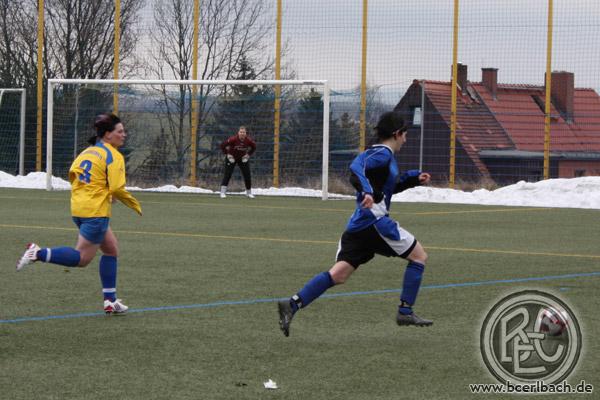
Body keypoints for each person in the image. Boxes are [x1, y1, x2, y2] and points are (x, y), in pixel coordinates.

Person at [277, 111, 432, 337]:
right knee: (419, 256)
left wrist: (413, 179)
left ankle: (291, 304)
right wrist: (367, 191)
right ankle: (405, 311)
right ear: (397, 134)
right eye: (405, 135)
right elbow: (356, 166)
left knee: (338, 274)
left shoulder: (384, 157)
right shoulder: (382, 154)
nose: (406, 140)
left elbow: (387, 188)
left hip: (359, 226)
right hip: (375, 223)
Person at [16, 113, 142, 315]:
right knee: (82, 258)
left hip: (79, 209)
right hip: (96, 212)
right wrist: (134, 204)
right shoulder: (113, 155)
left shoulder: (87, 152)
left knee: (111, 249)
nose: (124, 135)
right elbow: (117, 188)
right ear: (107, 134)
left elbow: (74, 176)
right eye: (120, 131)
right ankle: (38, 253)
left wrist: (94, 193)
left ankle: (110, 301)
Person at [219, 126, 256, 198]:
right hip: (232, 158)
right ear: (238, 133)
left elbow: (254, 147)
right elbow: (222, 145)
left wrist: (248, 155)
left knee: (247, 175)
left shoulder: (248, 140)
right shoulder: (233, 139)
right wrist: (228, 154)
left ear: (246, 133)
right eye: (241, 132)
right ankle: (222, 192)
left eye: (243, 132)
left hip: (242, 159)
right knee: (227, 174)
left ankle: (249, 193)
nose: (242, 133)